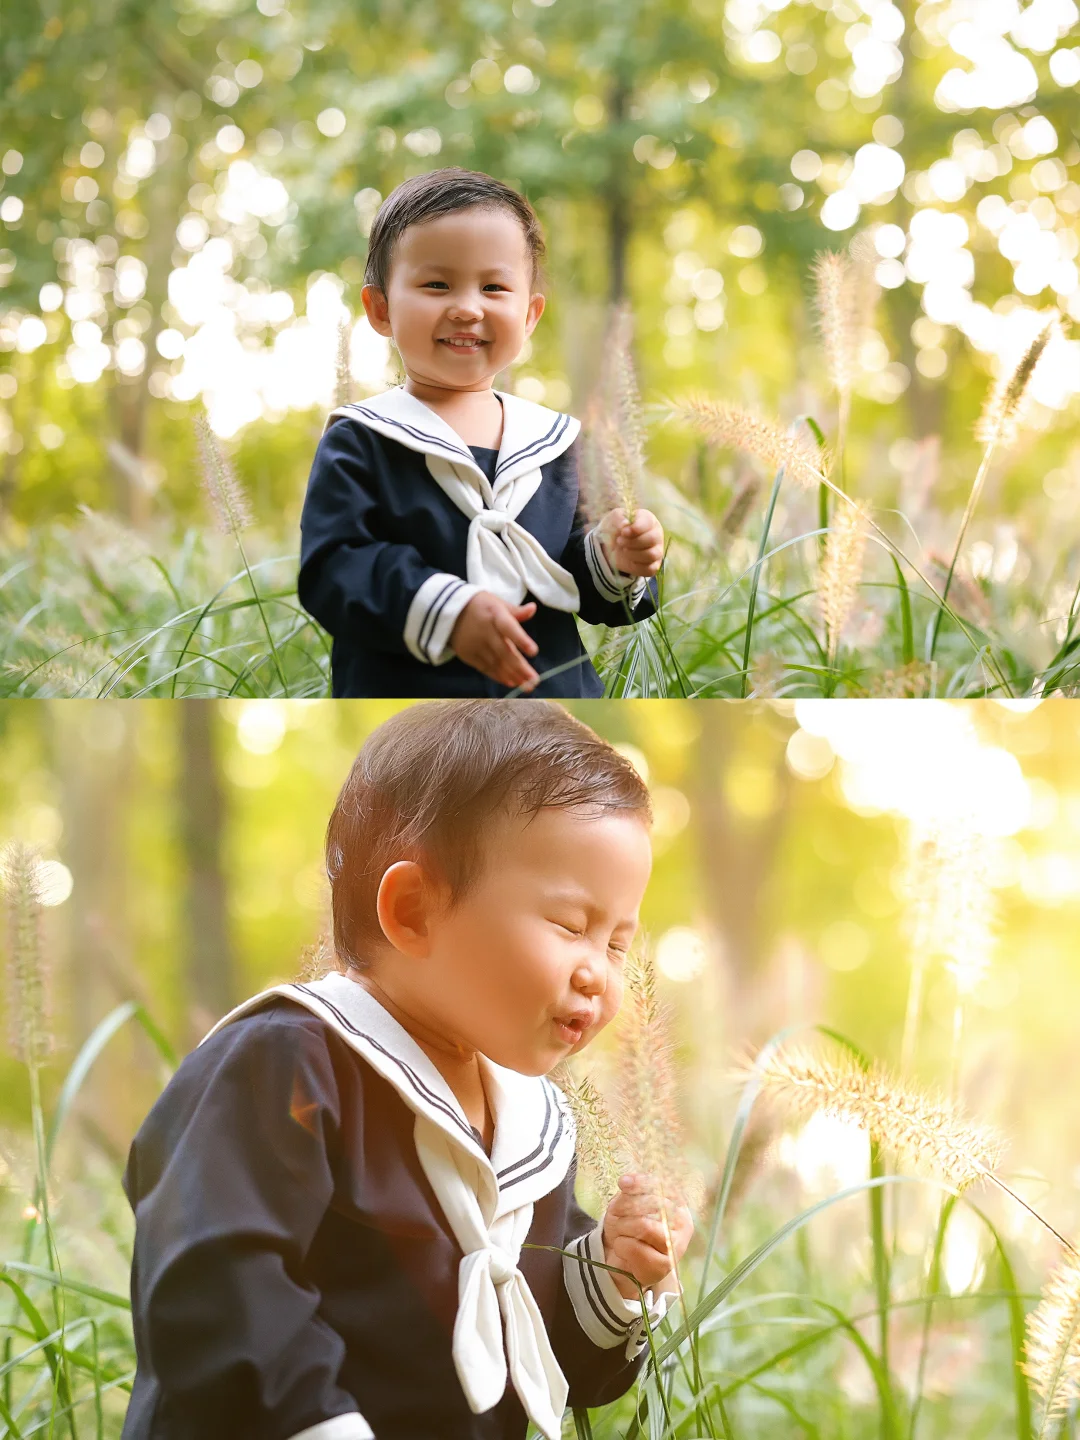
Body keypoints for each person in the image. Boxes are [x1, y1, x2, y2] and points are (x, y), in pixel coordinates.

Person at [119, 700, 694, 1440]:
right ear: (414, 910)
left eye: (618, 943)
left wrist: (612, 1273)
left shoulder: (531, 1124)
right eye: (570, 925)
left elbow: (543, 1356)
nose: (598, 974)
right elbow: (220, 1287)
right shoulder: (283, 1065)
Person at [298, 167, 666, 699]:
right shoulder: (363, 440)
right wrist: (450, 610)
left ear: (530, 314)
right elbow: (335, 568)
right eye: (436, 284)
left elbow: (578, 582)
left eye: (494, 287)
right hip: (418, 703)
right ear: (379, 309)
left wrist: (616, 558)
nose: (468, 308)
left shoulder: (557, 443)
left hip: (553, 704)